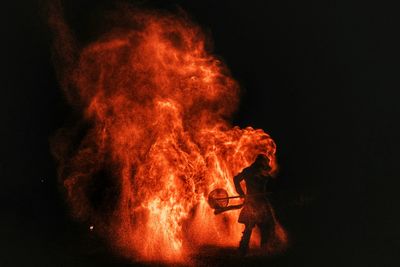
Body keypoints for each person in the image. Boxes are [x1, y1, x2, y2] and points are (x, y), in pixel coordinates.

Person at [233, 154, 278, 255]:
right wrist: (241, 194)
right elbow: (236, 179)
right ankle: (243, 249)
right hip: (252, 201)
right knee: (249, 226)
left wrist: (274, 190)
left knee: (266, 225)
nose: (266, 164)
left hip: (262, 201)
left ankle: (264, 248)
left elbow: (272, 183)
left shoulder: (264, 172)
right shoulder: (248, 171)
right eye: (265, 162)